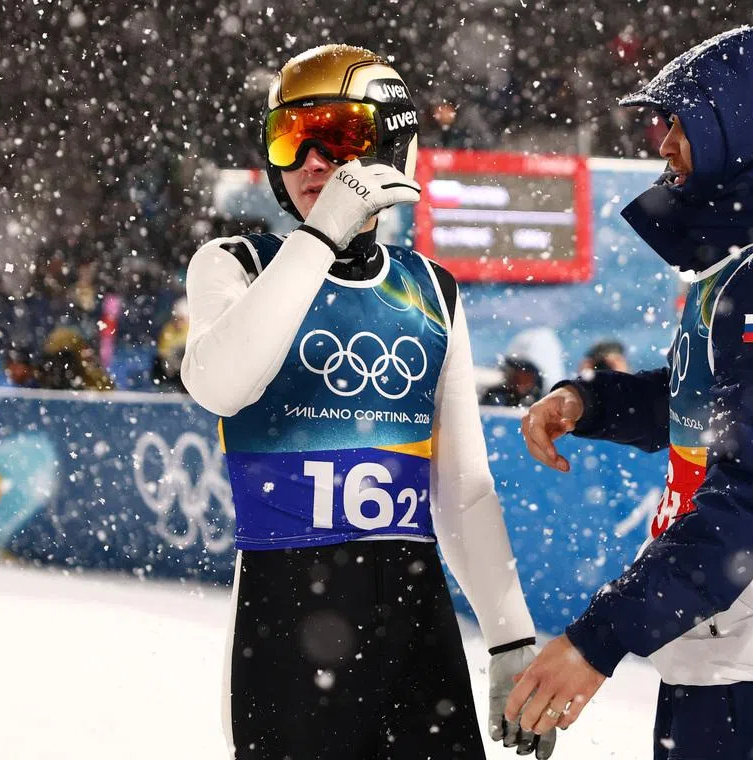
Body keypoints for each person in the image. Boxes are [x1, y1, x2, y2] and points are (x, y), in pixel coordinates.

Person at [508, 26, 753, 759]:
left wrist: (597, 641)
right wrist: (595, 403)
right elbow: (713, 407)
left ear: (743, 130)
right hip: (744, 633)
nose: (663, 143)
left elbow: (751, 498)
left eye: (680, 122)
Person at [180, 44, 553, 760]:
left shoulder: (431, 290)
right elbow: (222, 385)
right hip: (284, 634)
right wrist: (320, 237)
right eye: (292, 138)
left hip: (415, 629)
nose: (314, 161)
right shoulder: (235, 265)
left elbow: (464, 491)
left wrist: (509, 635)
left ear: (392, 143)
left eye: (340, 135)